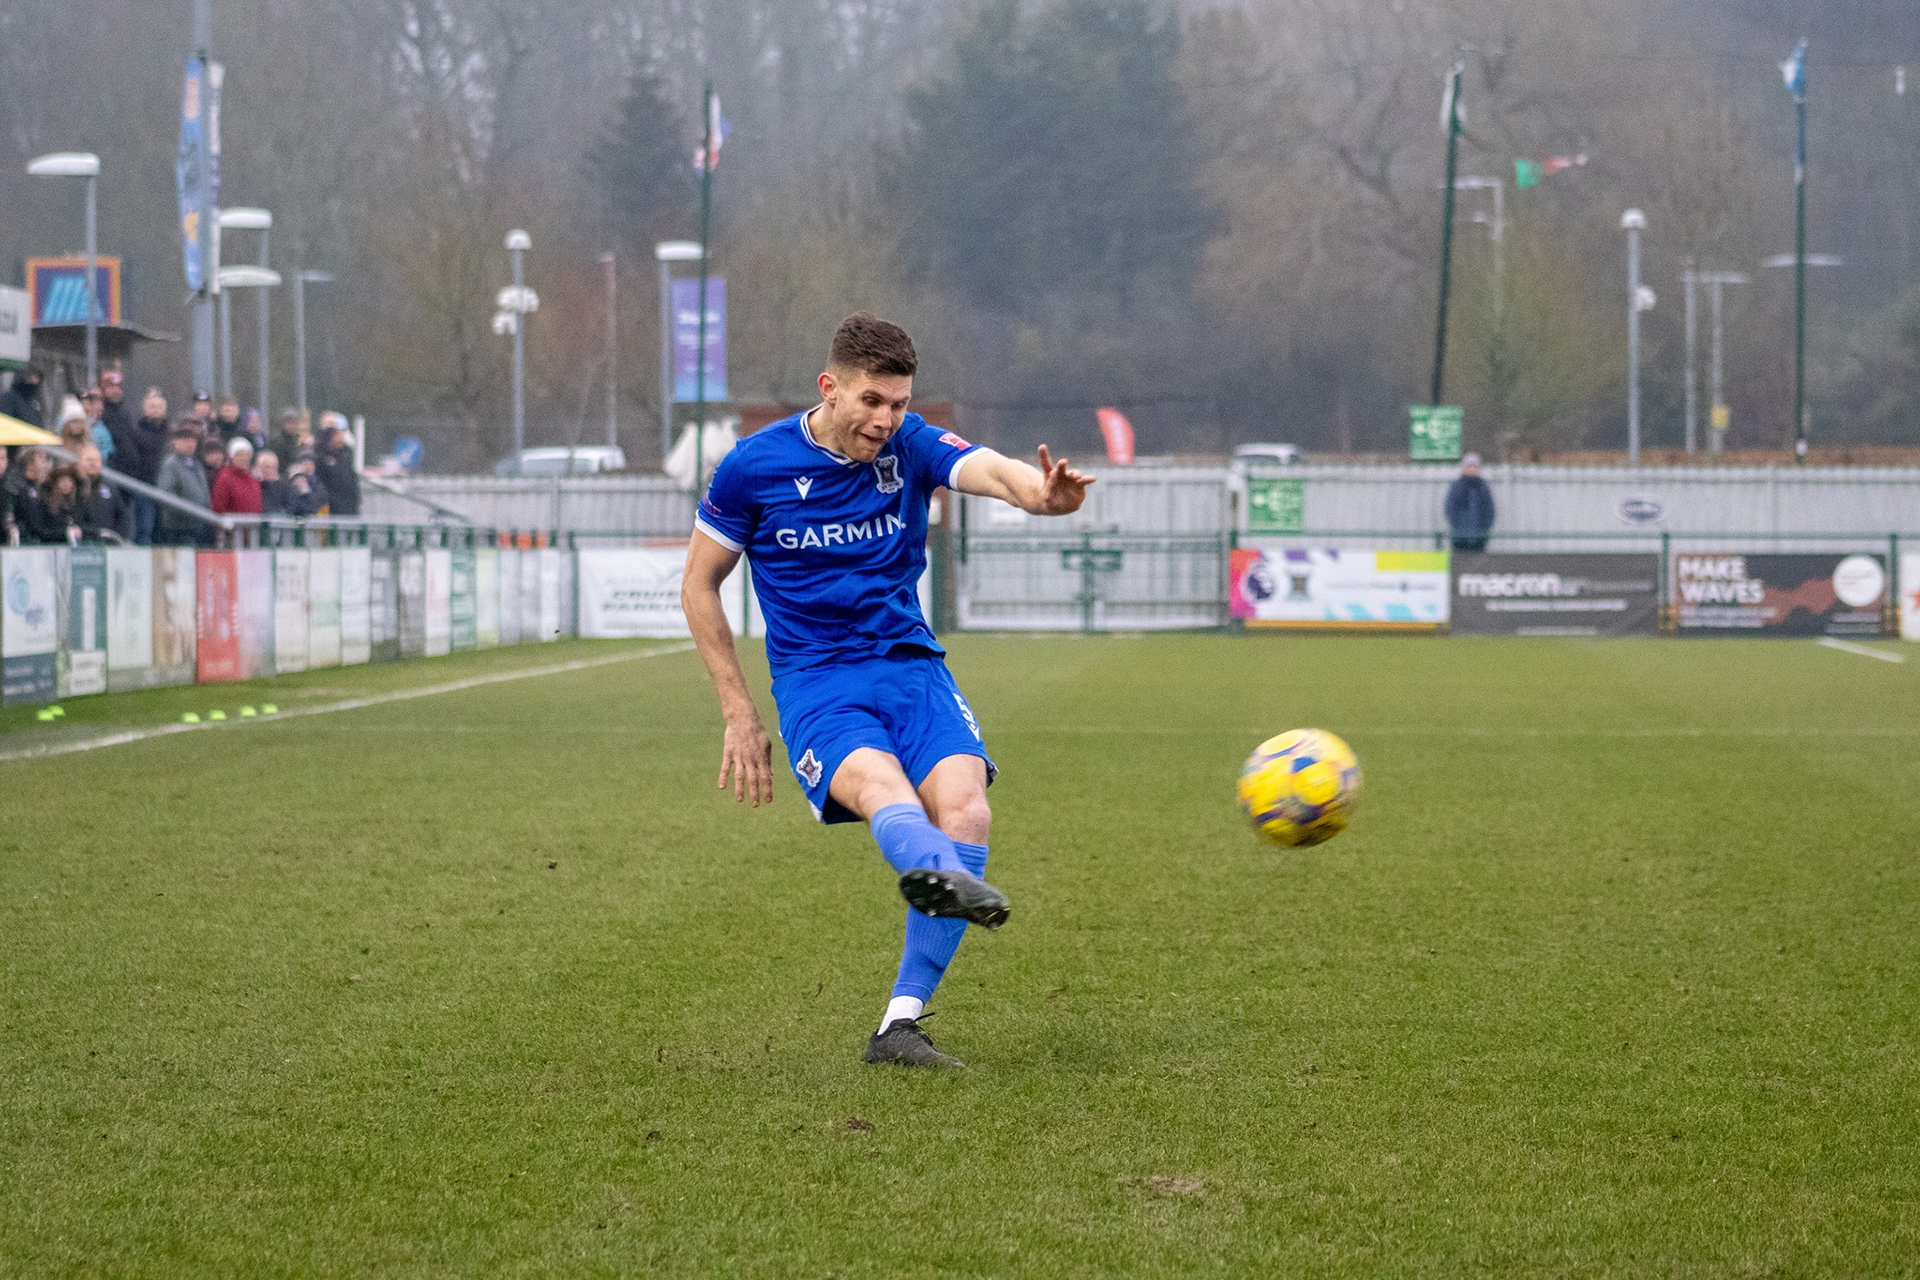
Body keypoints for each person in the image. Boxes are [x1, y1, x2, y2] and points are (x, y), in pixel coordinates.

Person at [682, 314, 1093, 1069]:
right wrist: (738, 712)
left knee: (968, 805)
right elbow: (699, 585)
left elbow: (991, 471)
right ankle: (931, 865)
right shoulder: (752, 467)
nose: (886, 419)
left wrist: (1040, 495)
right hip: (818, 680)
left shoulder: (911, 446)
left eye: (899, 404)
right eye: (872, 401)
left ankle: (898, 1026)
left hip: (910, 665)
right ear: (829, 387)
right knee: (881, 789)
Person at [126, 388, 171, 544]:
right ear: (145, 409)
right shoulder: (136, 431)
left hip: (167, 490)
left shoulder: (171, 432)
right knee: (145, 530)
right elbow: (132, 461)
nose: (156, 410)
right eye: (152, 406)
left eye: (159, 406)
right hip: (145, 489)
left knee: (164, 532)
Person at [155, 424, 212, 546]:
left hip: (198, 525)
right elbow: (166, 493)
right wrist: (186, 511)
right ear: (175, 442)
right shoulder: (171, 464)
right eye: (186, 440)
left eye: (193, 441)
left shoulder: (196, 464)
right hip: (178, 528)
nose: (190, 444)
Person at [8, 448, 70, 544]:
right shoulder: (18, 489)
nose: (47, 465)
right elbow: (34, 527)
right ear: (30, 464)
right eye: (42, 460)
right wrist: (64, 533)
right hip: (29, 546)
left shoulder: (46, 488)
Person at [1444, 453, 1496, 553]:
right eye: (1469, 466)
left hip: (1479, 537)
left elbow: (1489, 510)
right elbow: (1450, 508)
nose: (1472, 469)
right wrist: (1457, 527)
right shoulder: (1457, 486)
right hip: (1459, 537)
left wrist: (1484, 530)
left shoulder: (1483, 487)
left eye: (1474, 466)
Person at [74, 445, 124, 542]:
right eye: (89, 460)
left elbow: (122, 515)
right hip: (82, 544)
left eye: (96, 460)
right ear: (79, 462)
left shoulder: (110, 487)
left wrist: (123, 537)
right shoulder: (72, 486)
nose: (93, 463)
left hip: (108, 543)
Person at [315, 415, 361, 516]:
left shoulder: (345, 455)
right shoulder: (319, 456)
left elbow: (351, 482)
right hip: (330, 510)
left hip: (347, 509)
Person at [212, 438, 263, 517]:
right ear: (232, 457)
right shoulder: (225, 478)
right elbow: (219, 508)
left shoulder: (254, 479)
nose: (244, 458)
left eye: (247, 455)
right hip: (233, 527)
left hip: (252, 527)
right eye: (239, 455)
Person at [255, 449, 292, 515]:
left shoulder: (285, 487)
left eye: (273, 467)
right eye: (266, 467)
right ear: (258, 467)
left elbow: (289, 507)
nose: (270, 470)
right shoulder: (253, 485)